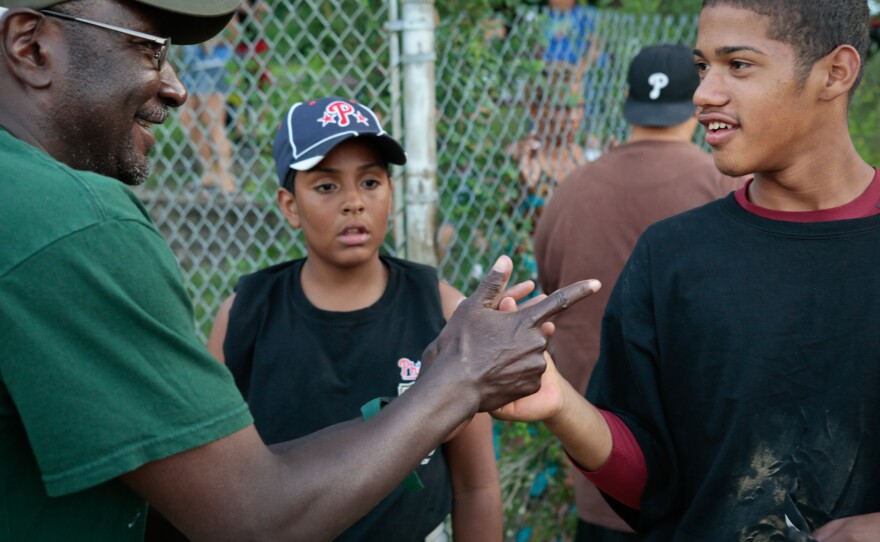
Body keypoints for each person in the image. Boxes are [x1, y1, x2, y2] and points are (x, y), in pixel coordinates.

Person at [0, 1, 600, 541]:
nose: (177, 88)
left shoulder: (436, 302)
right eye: (150, 48)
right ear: (30, 47)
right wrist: (461, 376)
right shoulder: (222, 296)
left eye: (371, 180)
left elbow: (475, 486)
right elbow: (244, 508)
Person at [498, 1, 880, 541]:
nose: (704, 93)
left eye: (738, 65)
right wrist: (561, 404)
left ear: (835, 72)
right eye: (703, 67)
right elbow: (656, 482)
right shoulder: (671, 255)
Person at [203, 96, 503, 542]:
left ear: (391, 193)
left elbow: (476, 486)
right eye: (327, 186)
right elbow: (216, 483)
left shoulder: (443, 310)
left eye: (369, 182)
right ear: (290, 205)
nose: (354, 203)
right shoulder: (246, 314)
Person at [533, 43, 740, 542]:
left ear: (627, 100)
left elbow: (550, 302)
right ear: (697, 104)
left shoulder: (569, 193)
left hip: (600, 458)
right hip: (704, 475)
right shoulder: (727, 187)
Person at [178, 34, 237, 193]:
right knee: (187, 120)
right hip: (191, 66)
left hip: (213, 64)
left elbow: (234, 32)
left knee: (214, 121)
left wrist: (209, 37)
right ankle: (210, 172)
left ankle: (227, 179)